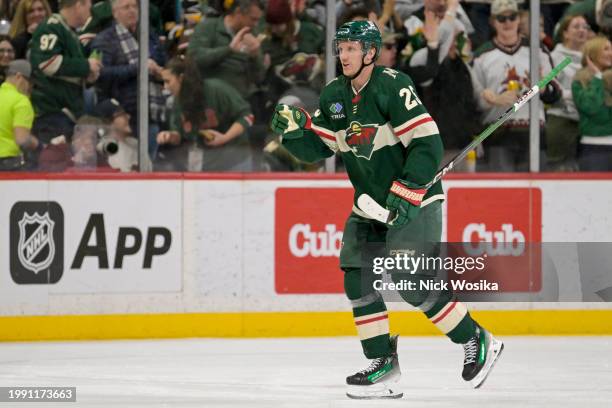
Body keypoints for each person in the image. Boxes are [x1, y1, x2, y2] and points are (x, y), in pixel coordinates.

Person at [270, 20, 503, 399]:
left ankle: (475, 337)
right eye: (340, 48)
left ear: (370, 52)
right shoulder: (334, 95)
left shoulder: (394, 85)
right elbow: (322, 148)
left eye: (350, 48)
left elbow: (427, 141)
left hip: (416, 200)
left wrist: (410, 187)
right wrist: (295, 132)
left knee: (410, 283)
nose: (342, 54)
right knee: (355, 275)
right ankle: (383, 363)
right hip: (370, 205)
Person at [471, 0, 559, 171]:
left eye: (512, 17)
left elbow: (556, 93)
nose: (508, 22)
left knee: (535, 190)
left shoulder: (538, 50)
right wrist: (493, 99)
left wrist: (543, 88)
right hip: (498, 134)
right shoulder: (482, 56)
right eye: (501, 19)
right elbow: (475, 100)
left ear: (519, 19)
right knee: (502, 193)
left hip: (534, 133)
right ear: (492, 22)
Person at [90, 0, 166, 157]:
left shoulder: (149, 34)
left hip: (151, 112)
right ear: (115, 13)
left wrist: (159, 71)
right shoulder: (104, 40)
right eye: (126, 7)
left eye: (134, 6)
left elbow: (162, 59)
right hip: (122, 114)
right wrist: (137, 68)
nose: (132, 10)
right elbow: (101, 75)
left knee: (150, 166)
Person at [156, 57, 254, 172]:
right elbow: (179, 134)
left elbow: (247, 116)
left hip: (235, 162)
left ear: (181, 78)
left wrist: (225, 137)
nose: (165, 87)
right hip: (206, 167)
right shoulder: (177, 102)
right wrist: (170, 136)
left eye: (168, 81)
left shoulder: (216, 89)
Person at [29, 0, 102, 144]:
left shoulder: (70, 32)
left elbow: (67, 73)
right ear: (79, 4)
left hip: (64, 114)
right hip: (52, 113)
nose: (91, 11)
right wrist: (86, 66)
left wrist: (87, 77)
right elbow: (47, 62)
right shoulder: (52, 26)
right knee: (55, 162)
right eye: (88, 5)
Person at [186, 0, 265, 100]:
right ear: (238, 12)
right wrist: (229, 50)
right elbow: (194, 58)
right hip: (211, 97)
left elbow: (259, 78)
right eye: (253, 19)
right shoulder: (209, 27)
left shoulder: (252, 35)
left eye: (258, 20)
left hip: (241, 99)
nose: (256, 24)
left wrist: (255, 57)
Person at [547, 14, 590, 171]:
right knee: (560, 170)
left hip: (586, 122)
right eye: (576, 26)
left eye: (585, 27)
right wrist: (577, 96)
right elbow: (551, 88)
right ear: (565, 32)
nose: (582, 30)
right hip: (562, 121)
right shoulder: (557, 58)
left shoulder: (591, 58)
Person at [572, 35, 612, 171]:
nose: (611, 53)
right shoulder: (580, 80)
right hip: (594, 149)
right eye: (606, 49)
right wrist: (597, 78)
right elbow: (591, 107)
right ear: (592, 53)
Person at [0, 59, 40, 171]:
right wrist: (38, 145)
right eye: (29, 82)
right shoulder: (21, 101)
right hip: (7, 163)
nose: (30, 87)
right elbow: (22, 139)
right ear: (19, 77)